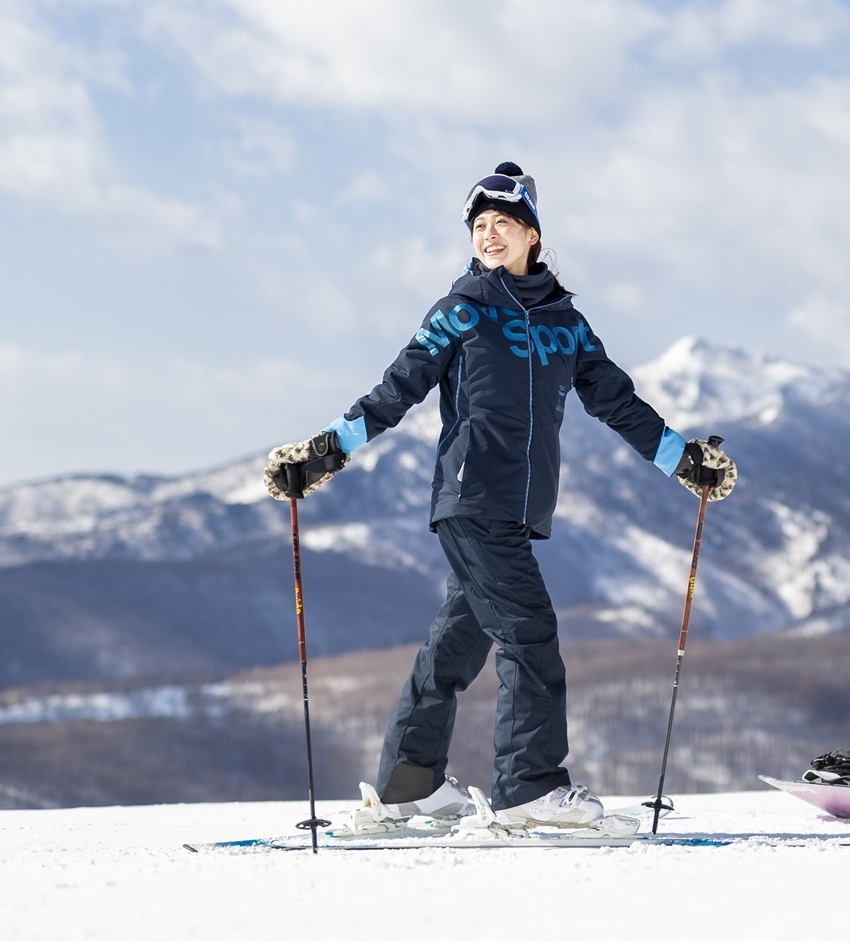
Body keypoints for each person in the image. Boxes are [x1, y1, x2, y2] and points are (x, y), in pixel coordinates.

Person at [263, 162, 736, 827]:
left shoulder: (566, 323)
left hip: (517, 511)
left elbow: (619, 403)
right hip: (471, 496)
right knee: (529, 634)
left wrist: (686, 461)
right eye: (480, 226)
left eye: (503, 224)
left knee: (457, 643)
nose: (489, 235)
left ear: (533, 235)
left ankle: (408, 782)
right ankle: (529, 790)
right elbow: (395, 389)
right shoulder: (461, 310)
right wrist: (324, 452)